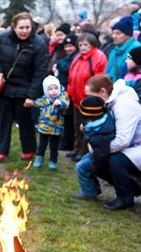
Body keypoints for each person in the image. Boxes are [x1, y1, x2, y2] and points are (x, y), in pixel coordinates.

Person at [73, 75, 141, 210]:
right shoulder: (109, 103)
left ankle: (125, 198)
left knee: (114, 161)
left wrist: (96, 150)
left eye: (91, 95)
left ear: (102, 92)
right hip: (132, 146)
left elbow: (122, 141)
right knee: (87, 164)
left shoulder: (124, 105)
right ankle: (91, 192)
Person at [0, 12, 48, 162]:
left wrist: (32, 95)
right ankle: (2, 150)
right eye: (21, 27)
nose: (24, 31)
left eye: (28, 27)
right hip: (6, 86)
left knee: (25, 121)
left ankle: (29, 149)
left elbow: (40, 71)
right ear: (14, 27)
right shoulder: (2, 38)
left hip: (26, 86)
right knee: (4, 121)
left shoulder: (39, 43)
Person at [67, 32, 108, 162]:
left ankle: (84, 151)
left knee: (87, 127)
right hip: (76, 99)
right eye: (80, 45)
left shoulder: (98, 57)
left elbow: (99, 78)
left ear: (92, 44)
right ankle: (77, 148)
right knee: (76, 125)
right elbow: (72, 76)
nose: (83, 47)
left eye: (86, 45)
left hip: (88, 99)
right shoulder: (78, 57)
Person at [33, 75, 69, 170]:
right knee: (42, 145)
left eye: (55, 88)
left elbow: (65, 105)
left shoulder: (62, 98)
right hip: (44, 127)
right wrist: (30, 103)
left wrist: (59, 104)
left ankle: (53, 161)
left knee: (54, 146)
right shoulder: (44, 99)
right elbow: (37, 103)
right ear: (46, 90)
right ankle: (39, 158)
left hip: (56, 127)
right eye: (50, 89)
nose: (53, 91)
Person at [79, 95, 116, 177]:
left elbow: (101, 155)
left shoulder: (99, 135)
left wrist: (97, 170)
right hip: (99, 156)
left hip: (103, 163)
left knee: (82, 167)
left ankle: (89, 190)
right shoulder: (105, 118)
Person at [105, 16, 141, 82]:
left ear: (128, 34)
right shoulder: (114, 50)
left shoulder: (137, 49)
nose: (113, 36)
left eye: (118, 33)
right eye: (113, 33)